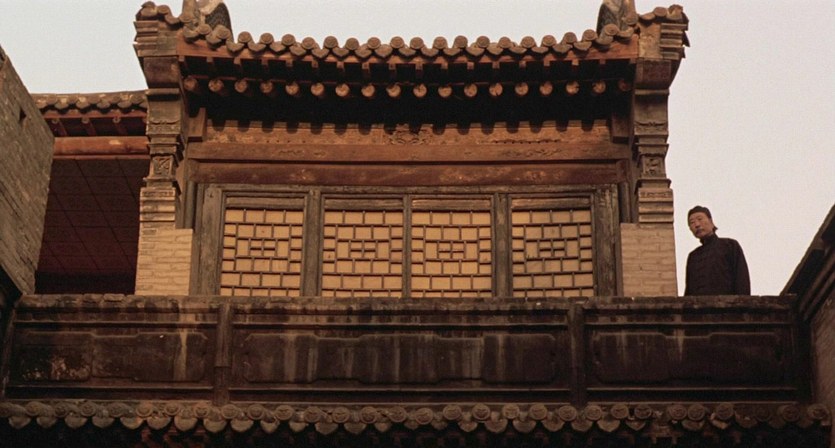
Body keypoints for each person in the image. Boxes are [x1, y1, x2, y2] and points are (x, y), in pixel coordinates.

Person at [684, 205, 750, 295]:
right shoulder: (693, 256)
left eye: (700, 219)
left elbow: (742, 278)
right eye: (692, 222)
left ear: (711, 221)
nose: (697, 225)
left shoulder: (729, 245)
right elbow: (688, 291)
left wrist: (743, 302)